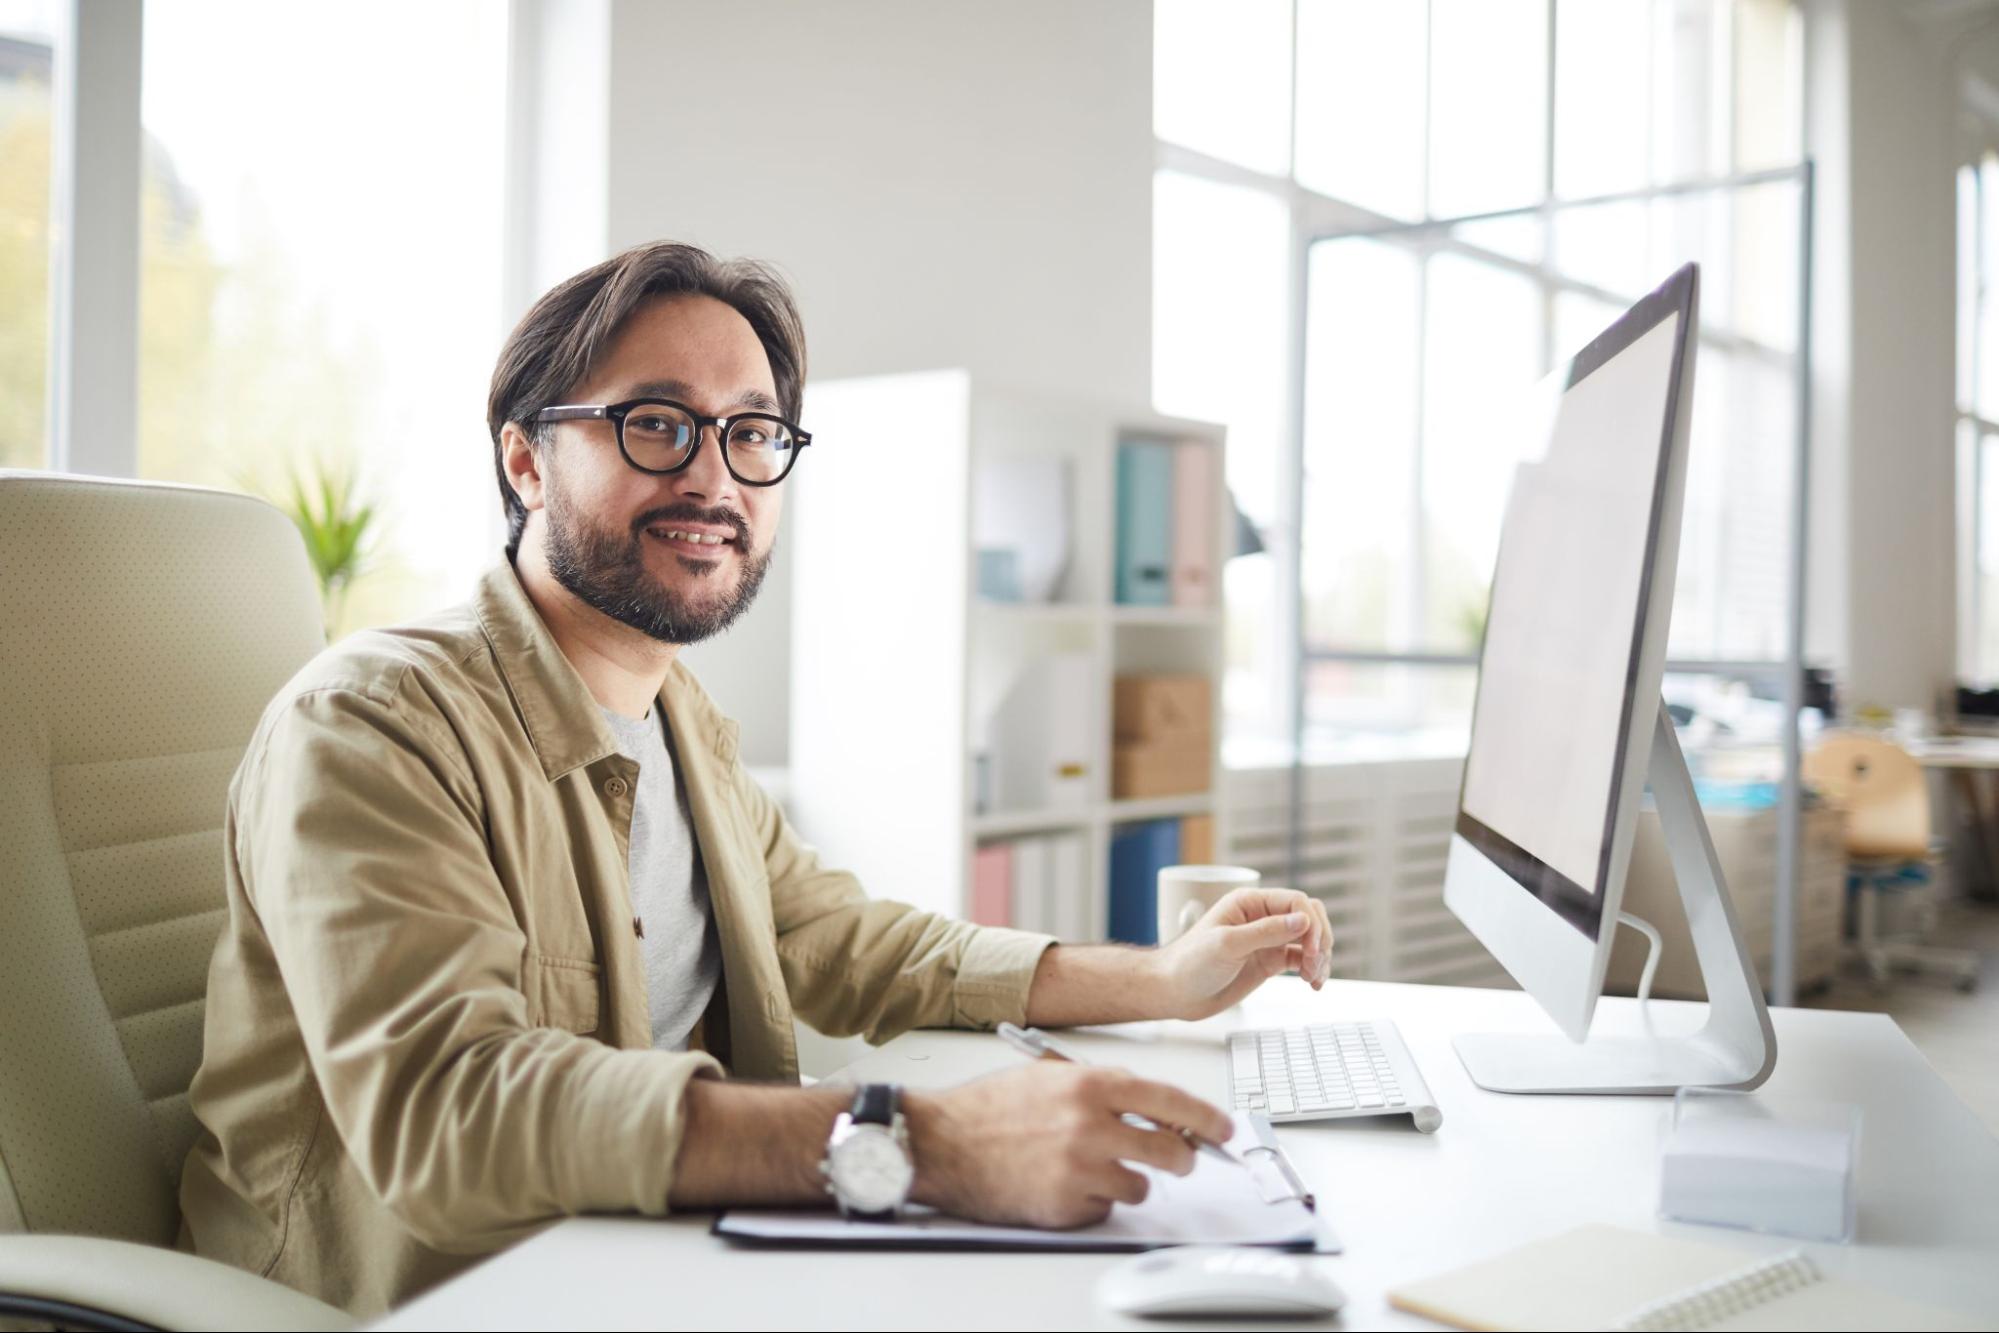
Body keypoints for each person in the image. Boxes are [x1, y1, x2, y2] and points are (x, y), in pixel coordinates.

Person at [179, 241, 1335, 1318]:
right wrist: (929, 1142)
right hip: (437, 1297)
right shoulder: (375, 726)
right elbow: (449, 1112)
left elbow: (840, 938)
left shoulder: (679, 718)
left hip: (643, 1261)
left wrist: (1160, 979)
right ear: (525, 460)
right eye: (654, 425)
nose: (714, 478)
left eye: (751, 433)